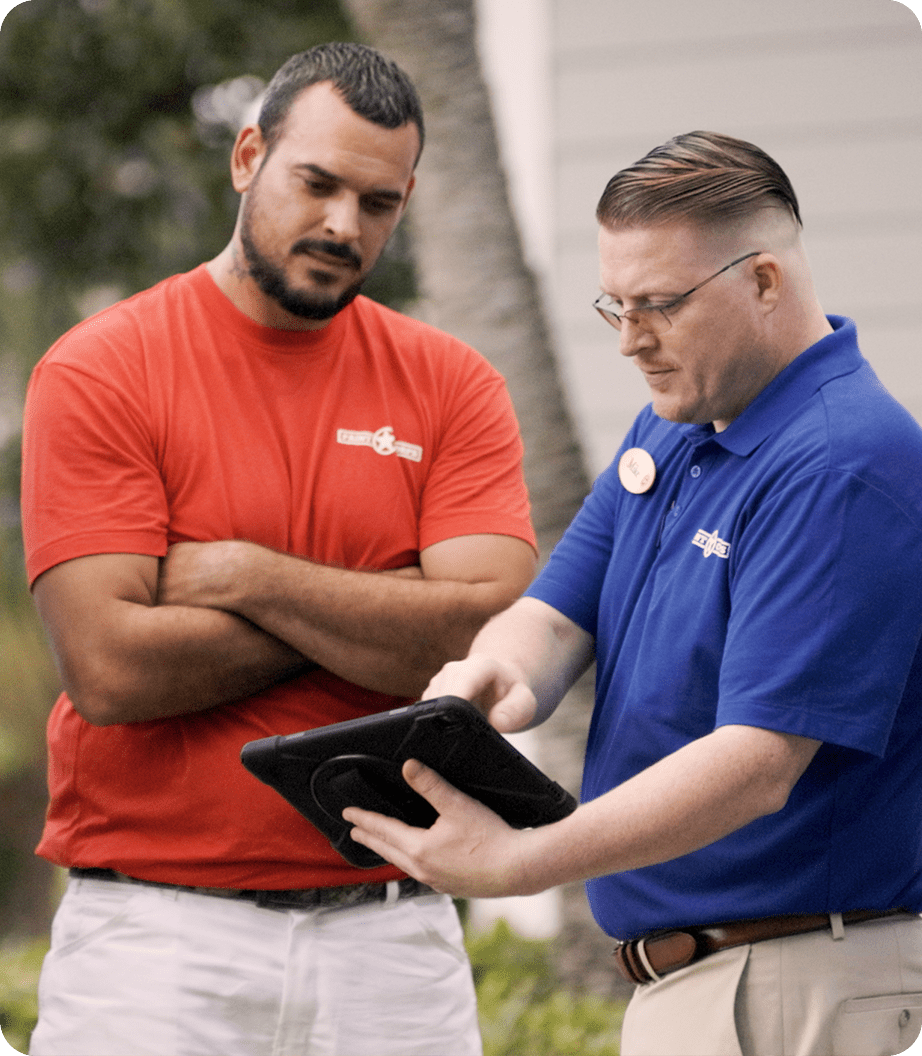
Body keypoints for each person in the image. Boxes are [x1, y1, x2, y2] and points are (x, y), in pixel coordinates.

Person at [344, 131, 922, 1056]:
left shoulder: (841, 463)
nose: (628, 339)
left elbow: (757, 763)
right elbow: (556, 613)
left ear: (765, 281)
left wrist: (521, 862)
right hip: (718, 985)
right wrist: (492, 680)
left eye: (659, 305)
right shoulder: (684, 428)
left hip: (796, 984)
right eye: (616, 302)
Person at [20, 42, 537, 1056]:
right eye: (319, 183)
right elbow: (113, 668)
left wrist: (248, 579)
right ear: (247, 155)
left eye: (379, 203)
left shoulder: (450, 382)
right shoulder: (102, 371)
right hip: (156, 945)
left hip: (394, 937)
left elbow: (484, 637)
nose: (345, 225)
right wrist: (384, 608)